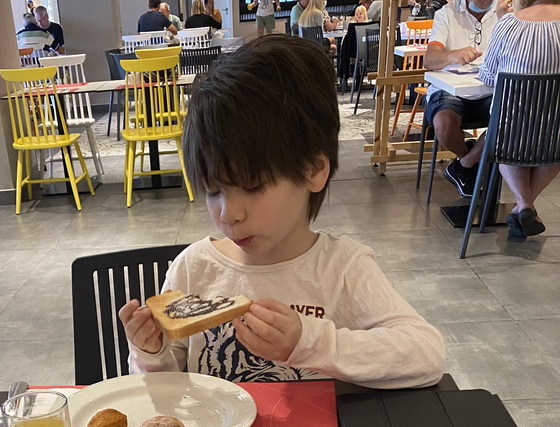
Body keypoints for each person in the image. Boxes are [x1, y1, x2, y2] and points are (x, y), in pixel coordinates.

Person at [119, 36, 445, 388]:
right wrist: (151, 356)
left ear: (313, 170)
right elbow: (167, 394)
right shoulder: (193, 268)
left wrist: (310, 341)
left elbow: (426, 355)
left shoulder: (342, 269)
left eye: (253, 186)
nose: (229, 214)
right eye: (214, 191)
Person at [477, 0, 560, 237]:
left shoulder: (507, 24)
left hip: (509, 134)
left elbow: (488, 77)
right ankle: (525, 207)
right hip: (555, 134)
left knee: (510, 129)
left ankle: (524, 204)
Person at [423, 0, 500, 198]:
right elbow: (429, 60)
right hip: (449, 88)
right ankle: (471, 158)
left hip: (490, 89)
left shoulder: (505, 14)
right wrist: (451, 55)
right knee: (444, 124)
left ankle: (464, 165)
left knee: (510, 118)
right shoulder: (446, 14)